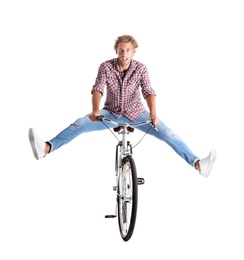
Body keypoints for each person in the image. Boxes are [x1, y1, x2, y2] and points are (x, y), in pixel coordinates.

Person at [29, 34, 216, 177]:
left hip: (137, 114)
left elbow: (149, 91)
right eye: (120, 50)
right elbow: (97, 89)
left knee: (167, 133)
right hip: (111, 113)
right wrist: (95, 111)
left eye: (127, 50)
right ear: (116, 51)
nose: (124, 54)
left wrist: (153, 114)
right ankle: (46, 148)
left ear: (134, 51)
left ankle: (198, 165)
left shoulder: (141, 68)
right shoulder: (105, 67)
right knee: (80, 124)